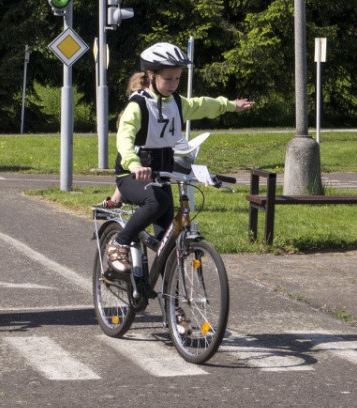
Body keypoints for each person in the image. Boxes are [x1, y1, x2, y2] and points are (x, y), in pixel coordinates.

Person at [107, 42, 253, 273]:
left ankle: (171, 306)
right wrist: (134, 165)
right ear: (151, 75)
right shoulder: (138, 105)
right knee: (159, 202)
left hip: (162, 173)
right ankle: (120, 242)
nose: (173, 84)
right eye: (168, 79)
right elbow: (124, 139)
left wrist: (231, 105)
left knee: (168, 244)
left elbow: (203, 104)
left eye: (177, 79)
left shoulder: (176, 102)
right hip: (133, 174)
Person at [97, 72, 148, 209]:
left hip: (141, 156)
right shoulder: (138, 107)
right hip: (139, 156)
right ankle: (115, 200)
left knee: (126, 166)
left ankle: (115, 200)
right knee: (127, 168)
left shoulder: (135, 107)